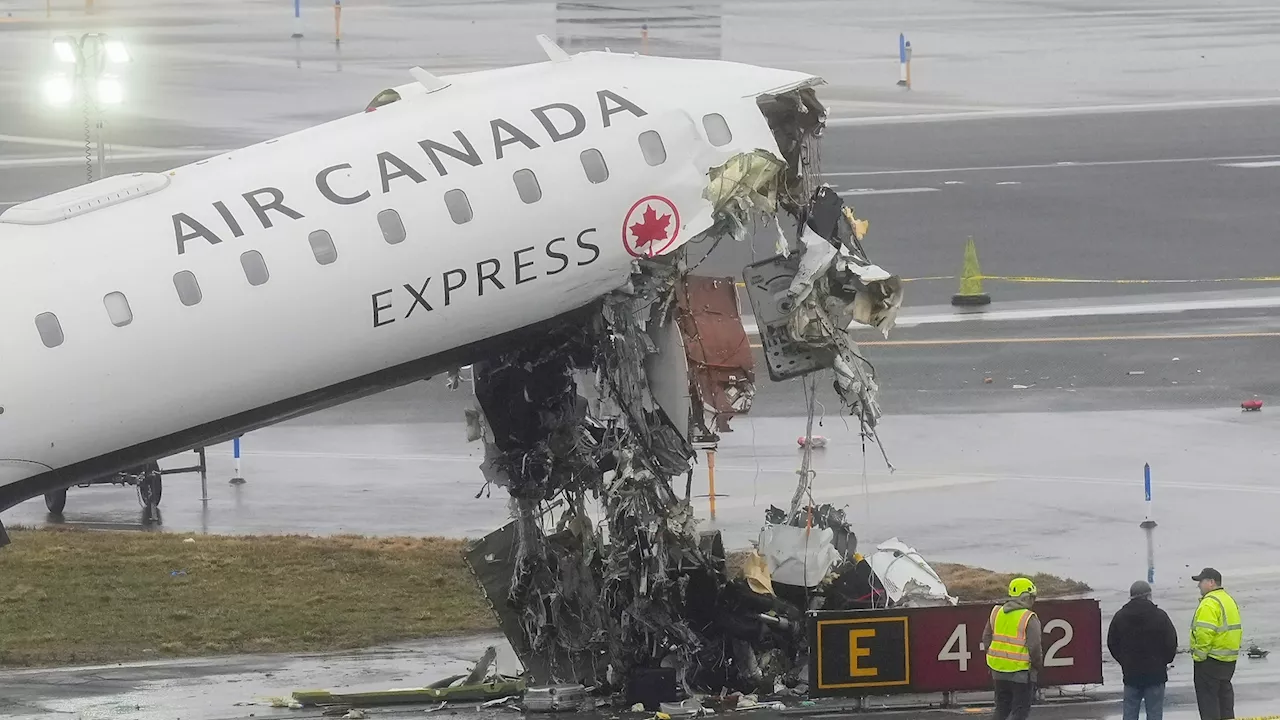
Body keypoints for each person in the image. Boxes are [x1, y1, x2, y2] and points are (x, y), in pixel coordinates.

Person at [1107, 580, 1178, 720]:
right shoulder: (1160, 616)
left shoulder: (1120, 616)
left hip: (1131, 674)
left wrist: (1124, 661)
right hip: (1156, 674)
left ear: (1131, 596)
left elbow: (1112, 643)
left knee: (1130, 712)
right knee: (1154, 713)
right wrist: (1164, 661)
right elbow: (1171, 642)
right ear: (1148, 596)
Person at [984, 577, 1043, 720]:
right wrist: (1037, 666)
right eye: (1032, 597)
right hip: (1022, 673)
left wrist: (996, 659)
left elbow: (986, 639)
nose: (1033, 601)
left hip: (998, 672)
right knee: (1020, 712)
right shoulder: (1029, 617)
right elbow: (1034, 647)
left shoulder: (996, 612)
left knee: (1001, 709)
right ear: (1026, 597)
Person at [1189, 568, 1242, 720]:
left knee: (1209, 705)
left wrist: (1199, 657)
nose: (1199, 585)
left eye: (1201, 581)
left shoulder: (1209, 603)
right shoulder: (1228, 600)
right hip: (1228, 662)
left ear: (1211, 582)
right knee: (1225, 703)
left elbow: (1205, 633)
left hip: (1210, 662)